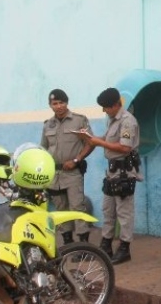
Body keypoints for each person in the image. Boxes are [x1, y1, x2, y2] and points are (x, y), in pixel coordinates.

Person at [79, 87, 140, 264]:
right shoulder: (113, 120)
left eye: (106, 107)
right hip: (112, 172)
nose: (104, 110)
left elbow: (125, 148)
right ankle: (106, 244)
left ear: (115, 105)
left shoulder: (127, 121)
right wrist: (90, 138)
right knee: (108, 210)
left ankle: (124, 248)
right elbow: (106, 138)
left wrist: (98, 142)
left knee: (124, 212)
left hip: (124, 172)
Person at [40, 88, 94, 245]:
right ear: (50, 105)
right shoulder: (47, 125)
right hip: (54, 174)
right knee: (60, 210)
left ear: (67, 102)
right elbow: (43, 149)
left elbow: (90, 143)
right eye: (54, 103)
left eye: (61, 102)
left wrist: (77, 160)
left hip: (72, 173)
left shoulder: (79, 120)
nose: (58, 106)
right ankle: (68, 244)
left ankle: (83, 245)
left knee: (77, 208)